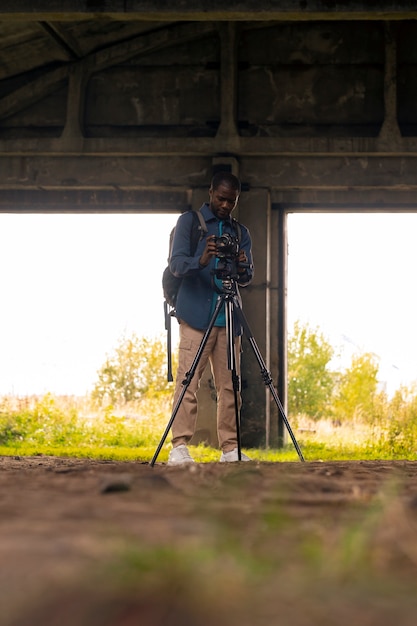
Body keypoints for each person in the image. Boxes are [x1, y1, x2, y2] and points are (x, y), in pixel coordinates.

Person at [167, 171, 254, 465]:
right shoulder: (190, 223)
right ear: (211, 192)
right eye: (221, 198)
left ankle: (230, 448)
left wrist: (242, 266)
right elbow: (176, 265)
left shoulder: (240, 233)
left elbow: (247, 277)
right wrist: (202, 259)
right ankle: (179, 446)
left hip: (228, 319)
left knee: (230, 386)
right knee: (187, 383)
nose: (226, 205)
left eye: (232, 200)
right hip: (195, 316)